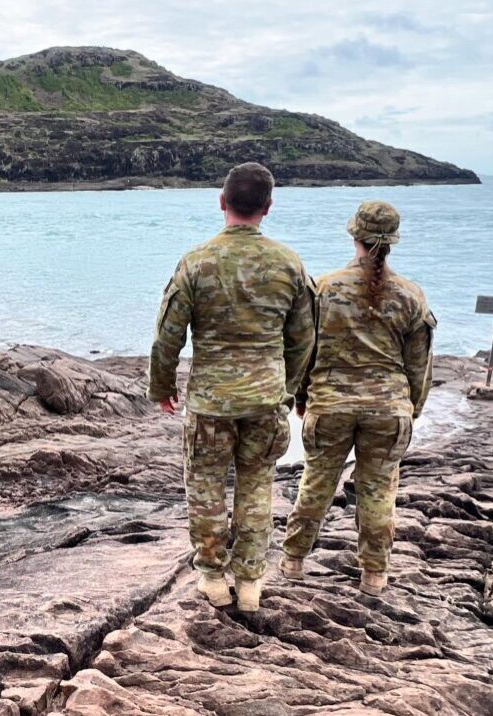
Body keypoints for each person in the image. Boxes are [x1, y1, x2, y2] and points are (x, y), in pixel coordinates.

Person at [148, 162, 315, 612]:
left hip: (211, 401)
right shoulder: (289, 264)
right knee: (257, 487)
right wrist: (288, 389)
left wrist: (162, 385)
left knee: (205, 488)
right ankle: (250, 584)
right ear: (268, 208)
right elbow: (303, 340)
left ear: (222, 203)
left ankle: (212, 579)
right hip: (265, 400)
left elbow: (168, 335)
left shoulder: (196, 261)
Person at [281, 200, 435, 596]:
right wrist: (412, 408)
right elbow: (418, 366)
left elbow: (303, 350)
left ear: (355, 236)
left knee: (316, 483)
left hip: (330, 404)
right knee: (379, 491)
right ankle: (374, 575)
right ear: (393, 242)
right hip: (388, 409)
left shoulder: (325, 288)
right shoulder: (411, 296)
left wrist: (300, 397)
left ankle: (294, 561)